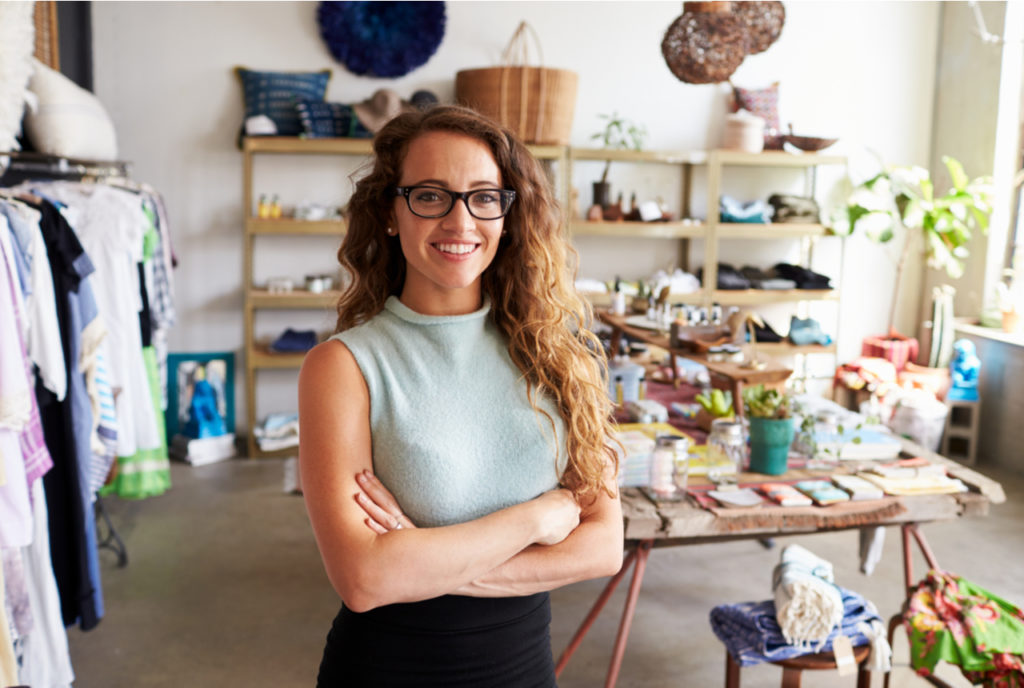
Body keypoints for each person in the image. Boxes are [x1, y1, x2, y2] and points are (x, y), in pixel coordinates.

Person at [298, 105, 623, 687]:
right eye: (430, 195)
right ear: (391, 213)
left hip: (525, 672)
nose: (460, 220)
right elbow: (364, 580)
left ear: (506, 215)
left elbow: (602, 547)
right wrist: (537, 516)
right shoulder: (343, 368)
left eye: (483, 197)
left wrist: (421, 560)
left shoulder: (558, 354)